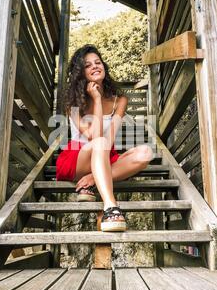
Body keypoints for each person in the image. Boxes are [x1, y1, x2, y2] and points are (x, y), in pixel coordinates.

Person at [56, 45, 153, 232]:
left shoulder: (120, 100)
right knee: (98, 142)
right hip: (77, 158)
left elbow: (108, 138)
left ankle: (93, 179)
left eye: (97, 62)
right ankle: (111, 207)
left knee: (145, 152)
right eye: (87, 65)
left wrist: (94, 175)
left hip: (104, 156)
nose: (94, 66)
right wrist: (97, 100)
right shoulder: (72, 103)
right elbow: (95, 136)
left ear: (104, 67)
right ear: (80, 74)